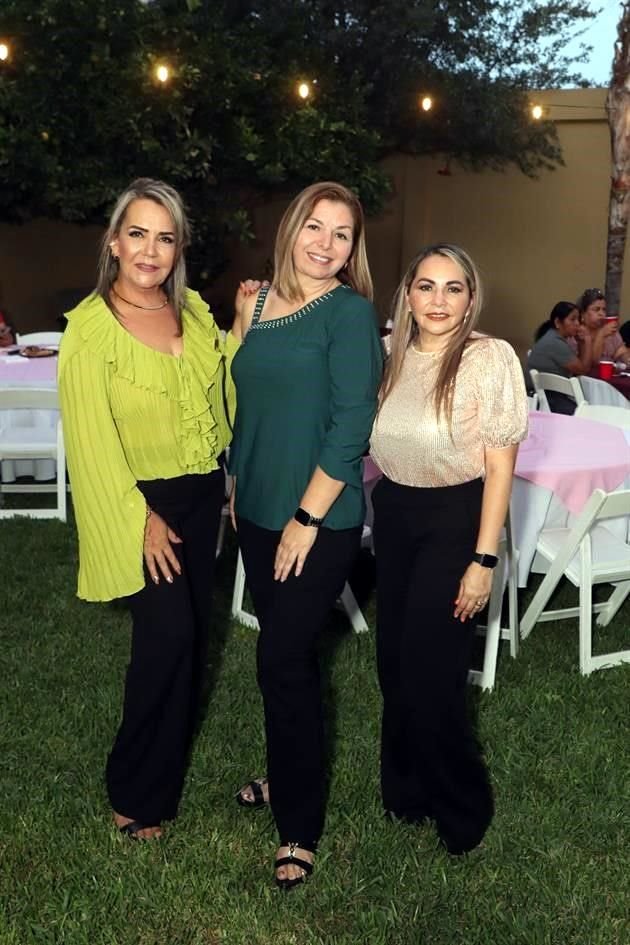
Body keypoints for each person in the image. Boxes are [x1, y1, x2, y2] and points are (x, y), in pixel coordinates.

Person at [58, 178, 237, 841]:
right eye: (137, 233)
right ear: (113, 241)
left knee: (187, 644)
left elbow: (219, 397)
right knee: (168, 641)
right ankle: (132, 792)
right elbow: (90, 440)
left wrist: (240, 333)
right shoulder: (89, 330)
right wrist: (139, 516)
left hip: (199, 493)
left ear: (178, 247)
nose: (150, 250)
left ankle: (160, 781)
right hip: (143, 501)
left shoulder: (190, 311)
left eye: (165, 237)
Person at [229, 181, 383, 888]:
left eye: (342, 233)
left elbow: (353, 427)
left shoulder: (349, 315)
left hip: (317, 521)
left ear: (354, 248)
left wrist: (304, 518)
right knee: (282, 661)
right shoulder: (256, 303)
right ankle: (287, 768)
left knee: (282, 659)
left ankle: (300, 822)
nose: (325, 244)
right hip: (255, 510)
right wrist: (236, 484)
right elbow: (246, 396)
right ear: (291, 228)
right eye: (314, 227)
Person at [370, 243, 528, 855]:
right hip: (396, 513)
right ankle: (405, 793)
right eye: (426, 286)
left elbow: (499, 465)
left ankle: (462, 808)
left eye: (453, 288)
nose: (438, 300)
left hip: (454, 516)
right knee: (393, 664)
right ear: (407, 294)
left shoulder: (490, 358)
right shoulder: (391, 354)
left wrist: (483, 560)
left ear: (470, 297)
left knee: (432, 671)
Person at [526, 301, 591, 414]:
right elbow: (583, 369)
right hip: (549, 399)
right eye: (572, 319)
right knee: (589, 408)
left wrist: (581, 342)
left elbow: (578, 367)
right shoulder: (555, 343)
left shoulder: (551, 337)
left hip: (539, 395)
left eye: (578, 320)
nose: (577, 324)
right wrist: (588, 340)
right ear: (557, 322)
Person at [571, 287, 630, 365]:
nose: (602, 314)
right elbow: (593, 363)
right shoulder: (576, 333)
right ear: (582, 314)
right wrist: (601, 335)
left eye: (604, 309)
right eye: (596, 309)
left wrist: (626, 359)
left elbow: (621, 351)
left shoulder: (608, 329)